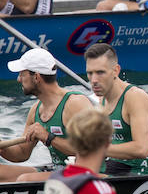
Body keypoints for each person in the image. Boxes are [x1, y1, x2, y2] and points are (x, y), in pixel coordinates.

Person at [0, 48, 93, 182]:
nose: (18, 79)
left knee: (25, 179)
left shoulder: (75, 104)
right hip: (58, 169)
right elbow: (22, 153)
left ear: (36, 77)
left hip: (87, 172)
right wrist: (2, 147)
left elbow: (92, 151)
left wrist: (48, 137)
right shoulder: (35, 110)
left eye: (22, 74)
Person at [84, 42, 148, 175]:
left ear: (116, 71)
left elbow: (142, 149)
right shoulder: (101, 100)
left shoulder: (135, 98)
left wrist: (98, 149)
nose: (94, 80)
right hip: (113, 168)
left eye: (100, 72)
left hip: (137, 175)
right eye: (90, 73)